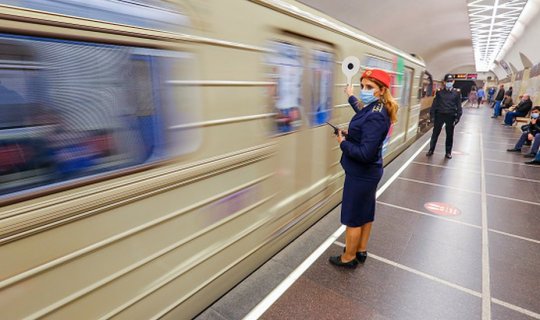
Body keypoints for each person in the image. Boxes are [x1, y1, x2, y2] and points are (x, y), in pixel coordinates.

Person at [329, 69, 396, 268]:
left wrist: (343, 142)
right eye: (363, 86)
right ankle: (361, 250)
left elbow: (365, 153)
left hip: (361, 173)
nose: (364, 90)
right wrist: (350, 96)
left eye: (370, 87)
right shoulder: (377, 108)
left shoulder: (376, 115)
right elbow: (363, 113)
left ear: (382, 90)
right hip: (369, 173)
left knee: (353, 217)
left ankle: (348, 257)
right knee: (366, 212)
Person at [426, 74, 462, 159]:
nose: (449, 83)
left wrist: (458, 117)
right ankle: (431, 150)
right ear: (444, 82)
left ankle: (448, 152)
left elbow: (459, 105)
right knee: (435, 133)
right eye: (447, 81)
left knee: (449, 135)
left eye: (450, 81)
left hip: (450, 116)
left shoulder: (456, 93)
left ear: (453, 82)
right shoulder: (439, 92)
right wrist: (432, 115)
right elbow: (435, 104)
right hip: (440, 115)